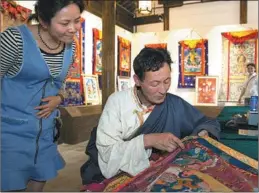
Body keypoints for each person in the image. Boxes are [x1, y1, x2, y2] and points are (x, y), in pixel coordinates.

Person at [80, 48, 221, 185]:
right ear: (137, 80)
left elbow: (207, 122)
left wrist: (203, 133)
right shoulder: (117, 102)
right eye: (155, 83)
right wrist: (147, 140)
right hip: (121, 172)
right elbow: (108, 153)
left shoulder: (174, 104)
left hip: (162, 170)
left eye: (167, 81)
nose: (163, 90)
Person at [0, 0, 84, 191]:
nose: (73, 29)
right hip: (10, 134)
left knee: (37, 185)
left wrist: (59, 99)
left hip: (46, 133)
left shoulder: (70, 46)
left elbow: (61, 84)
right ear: (44, 22)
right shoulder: (14, 40)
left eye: (77, 21)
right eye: (64, 23)